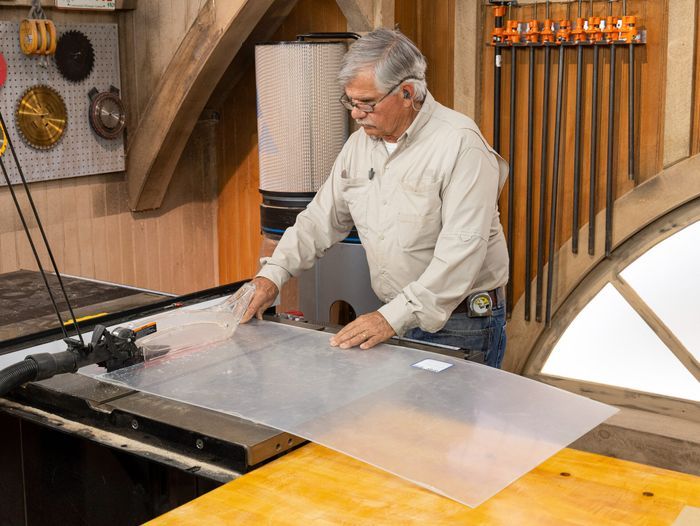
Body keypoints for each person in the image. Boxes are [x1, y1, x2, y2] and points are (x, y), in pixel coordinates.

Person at [242, 28, 509, 368]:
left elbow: (461, 254)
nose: (355, 114)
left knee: (448, 423)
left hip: (461, 324)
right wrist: (271, 276)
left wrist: (388, 319)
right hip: (398, 317)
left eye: (366, 103)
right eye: (350, 101)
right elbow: (319, 220)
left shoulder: (461, 145)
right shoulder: (359, 145)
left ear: (408, 93)